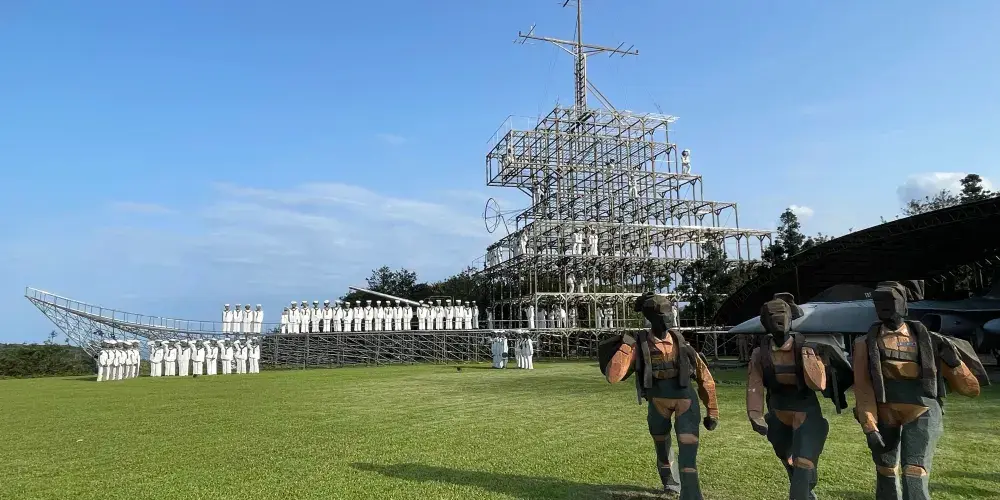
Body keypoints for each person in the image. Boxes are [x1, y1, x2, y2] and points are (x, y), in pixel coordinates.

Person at [853, 282, 983, 500]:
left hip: (922, 409)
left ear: (904, 304)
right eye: (878, 301)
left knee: (915, 470)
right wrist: (869, 425)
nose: (884, 306)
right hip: (885, 410)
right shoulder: (864, 344)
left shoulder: (931, 341)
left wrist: (954, 363)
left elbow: (971, 389)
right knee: (885, 468)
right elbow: (863, 387)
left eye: (890, 300)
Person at [601, 293, 719, 498]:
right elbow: (613, 376)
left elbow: (704, 377)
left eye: (668, 312)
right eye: (662, 314)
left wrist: (712, 410)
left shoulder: (682, 344)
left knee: (688, 447)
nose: (667, 318)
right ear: (651, 318)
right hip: (657, 402)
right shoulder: (639, 344)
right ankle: (671, 484)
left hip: (685, 399)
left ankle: (691, 493)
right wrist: (626, 346)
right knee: (662, 446)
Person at [746, 298, 851, 500]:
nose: (778, 320)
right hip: (778, 412)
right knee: (786, 456)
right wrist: (755, 415)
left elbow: (821, 382)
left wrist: (814, 361)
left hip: (806, 411)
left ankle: (802, 488)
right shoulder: (760, 354)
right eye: (772, 316)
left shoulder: (807, 348)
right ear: (764, 322)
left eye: (782, 315)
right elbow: (754, 384)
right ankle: (805, 487)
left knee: (804, 461)